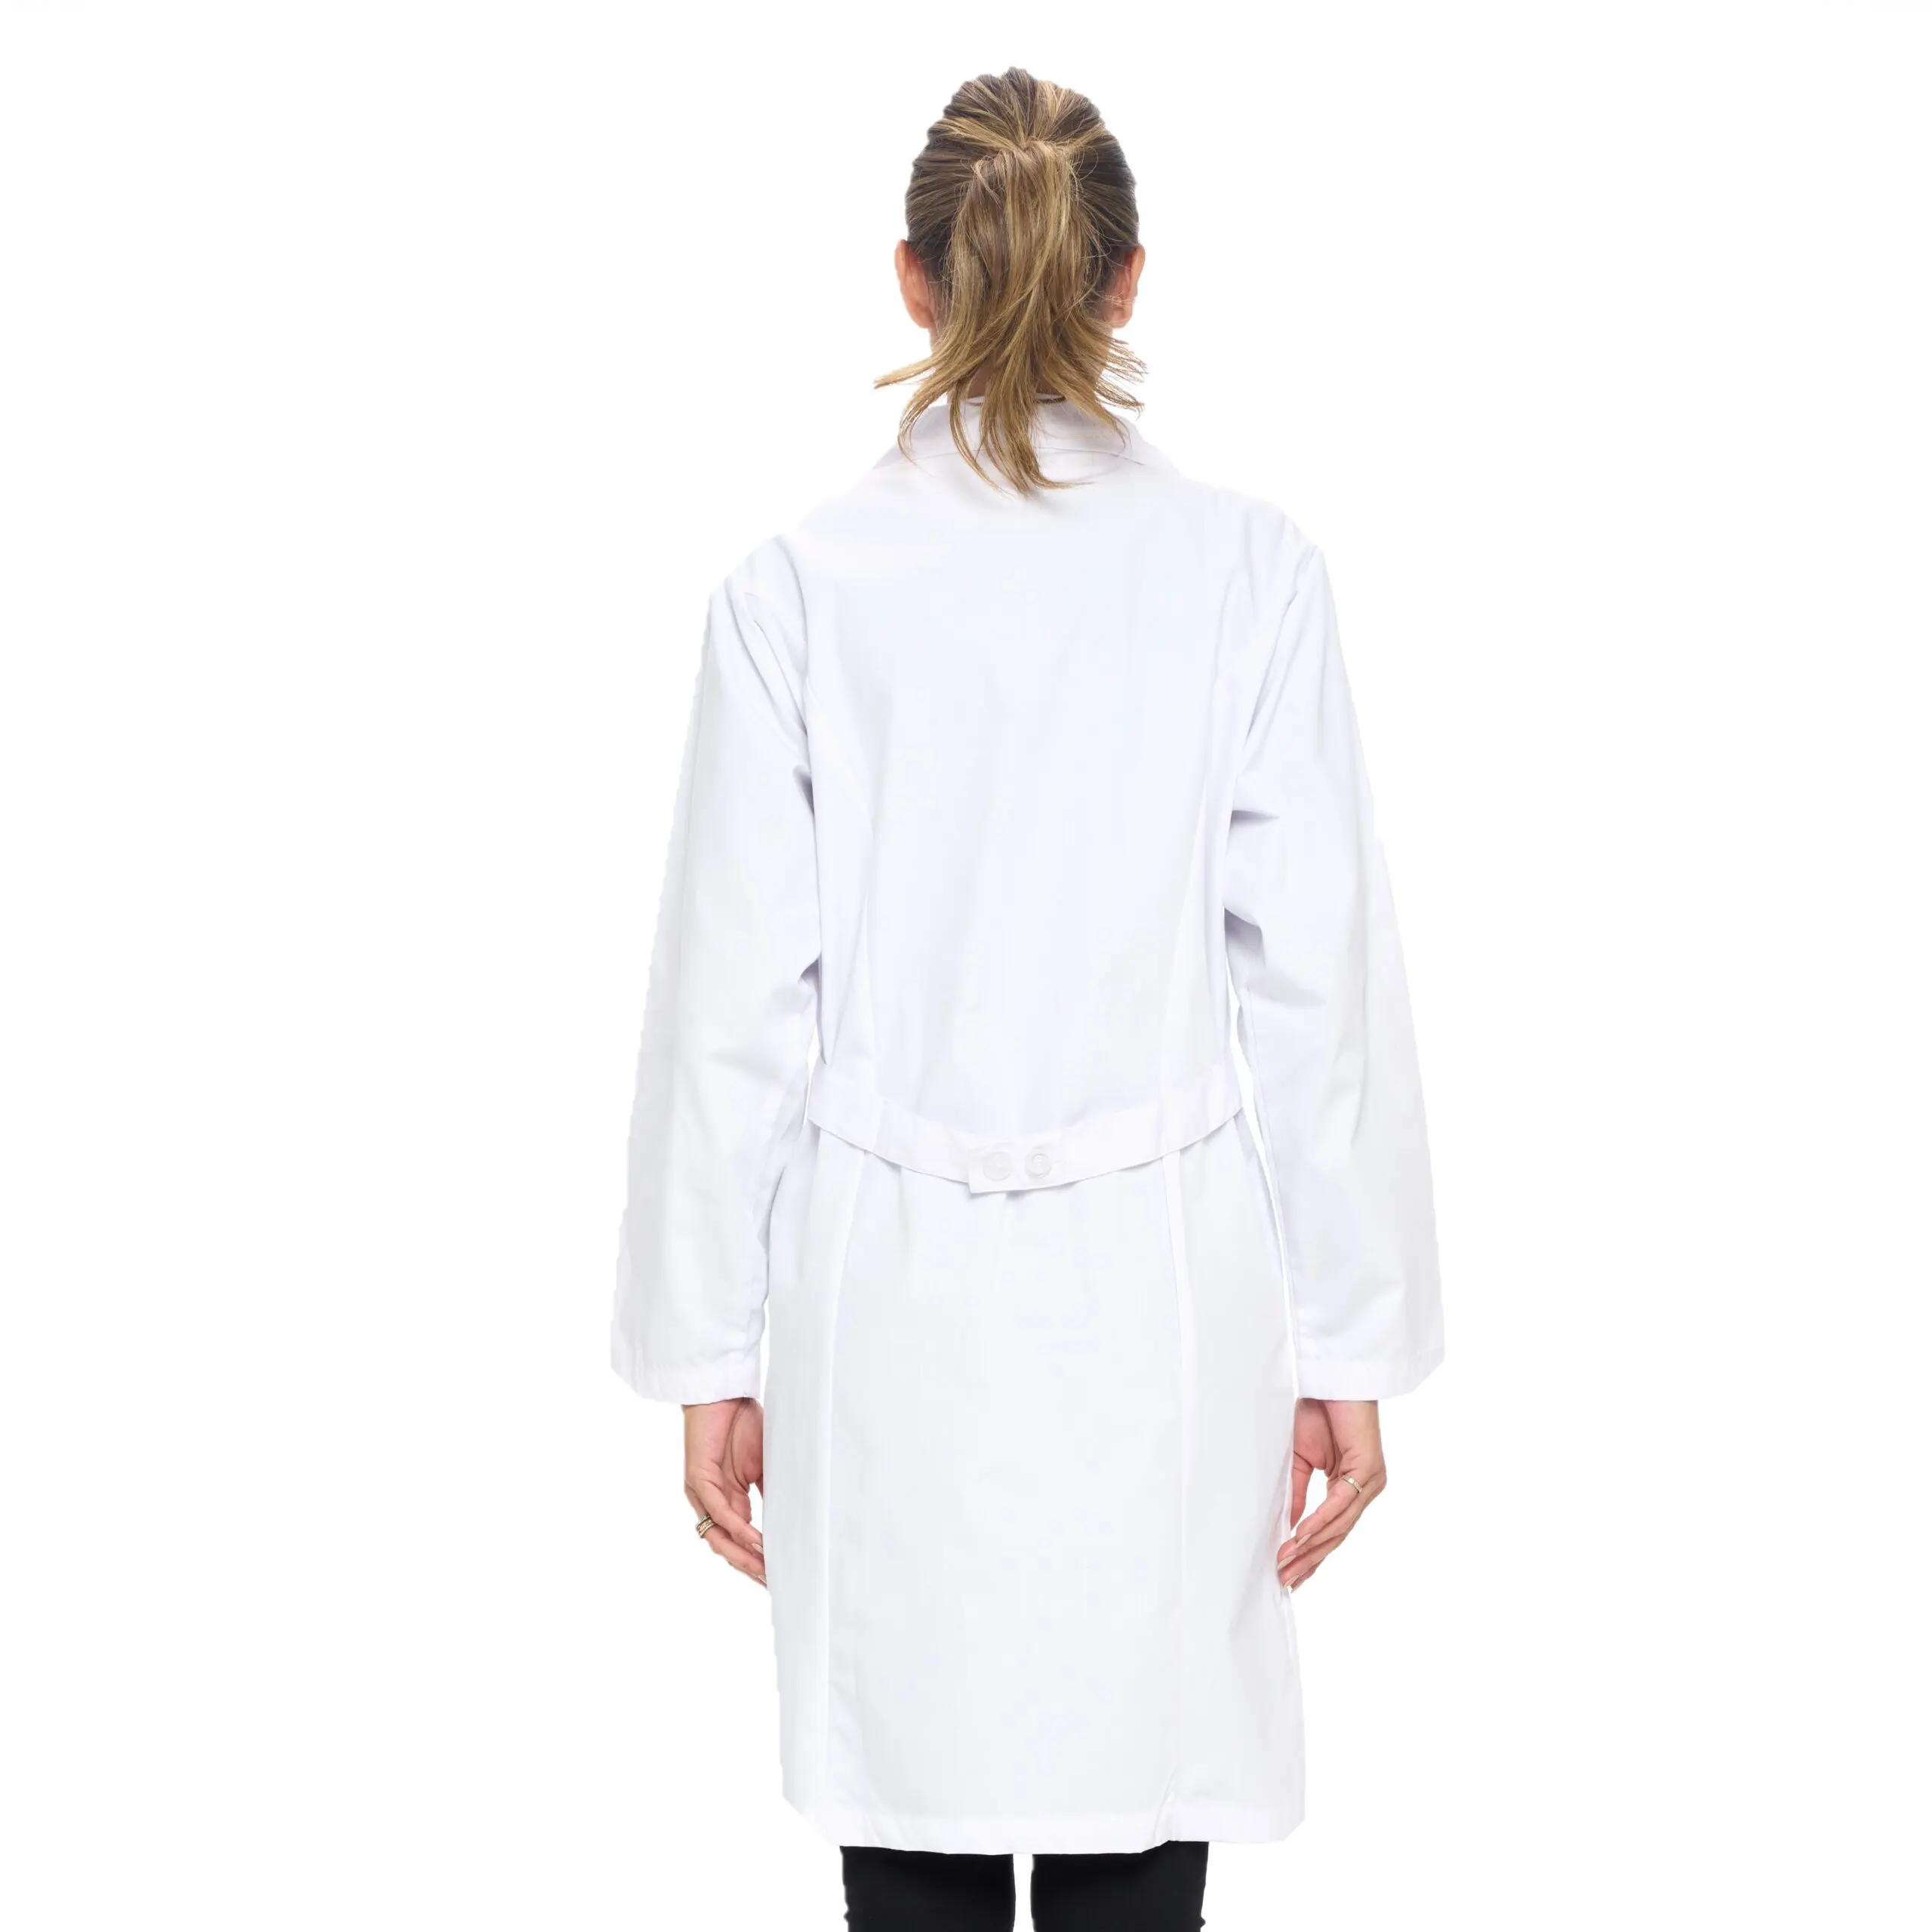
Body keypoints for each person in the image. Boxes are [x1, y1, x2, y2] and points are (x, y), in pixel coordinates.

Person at [613, 66, 1444, 1931]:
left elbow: (731, 1005)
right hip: (1155, 1298)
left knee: (906, 1826)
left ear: (910, 282)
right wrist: (1347, 1337)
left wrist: (708, 1350)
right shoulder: (1246, 575)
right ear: (1128, 280)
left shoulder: (796, 591)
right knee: (1135, 1823)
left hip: (883, 1301)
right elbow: (1316, 988)